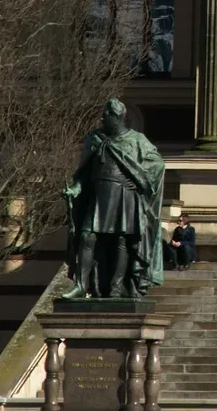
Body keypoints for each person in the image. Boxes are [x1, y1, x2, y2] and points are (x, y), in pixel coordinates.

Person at [60, 99, 165, 300]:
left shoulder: (137, 141)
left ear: (116, 117)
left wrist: (138, 177)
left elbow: (158, 166)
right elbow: (85, 174)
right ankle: (81, 285)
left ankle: (117, 287)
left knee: (122, 240)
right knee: (86, 237)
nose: (102, 118)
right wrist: (75, 189)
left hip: (124, 195)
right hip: (99, 196)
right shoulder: (95, 139)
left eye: (105, 115)